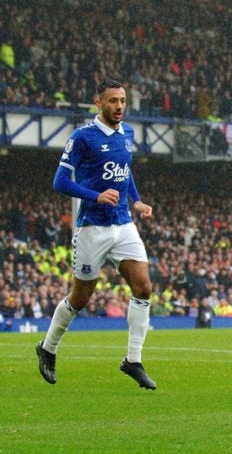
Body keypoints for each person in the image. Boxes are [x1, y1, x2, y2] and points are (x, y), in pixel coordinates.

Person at [35, 79, 157, 390]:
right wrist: (95, 195)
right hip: (91, 226)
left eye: (123, 100)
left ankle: (133, 360)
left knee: (143, 287)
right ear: (98, 103)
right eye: (113, 101)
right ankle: (47, 348)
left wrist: (137, 200)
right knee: (81, 297)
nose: (119, 106)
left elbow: (125, 173)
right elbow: (60, 181)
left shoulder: (127, 133)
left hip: (123, 224)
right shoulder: (82, 138)